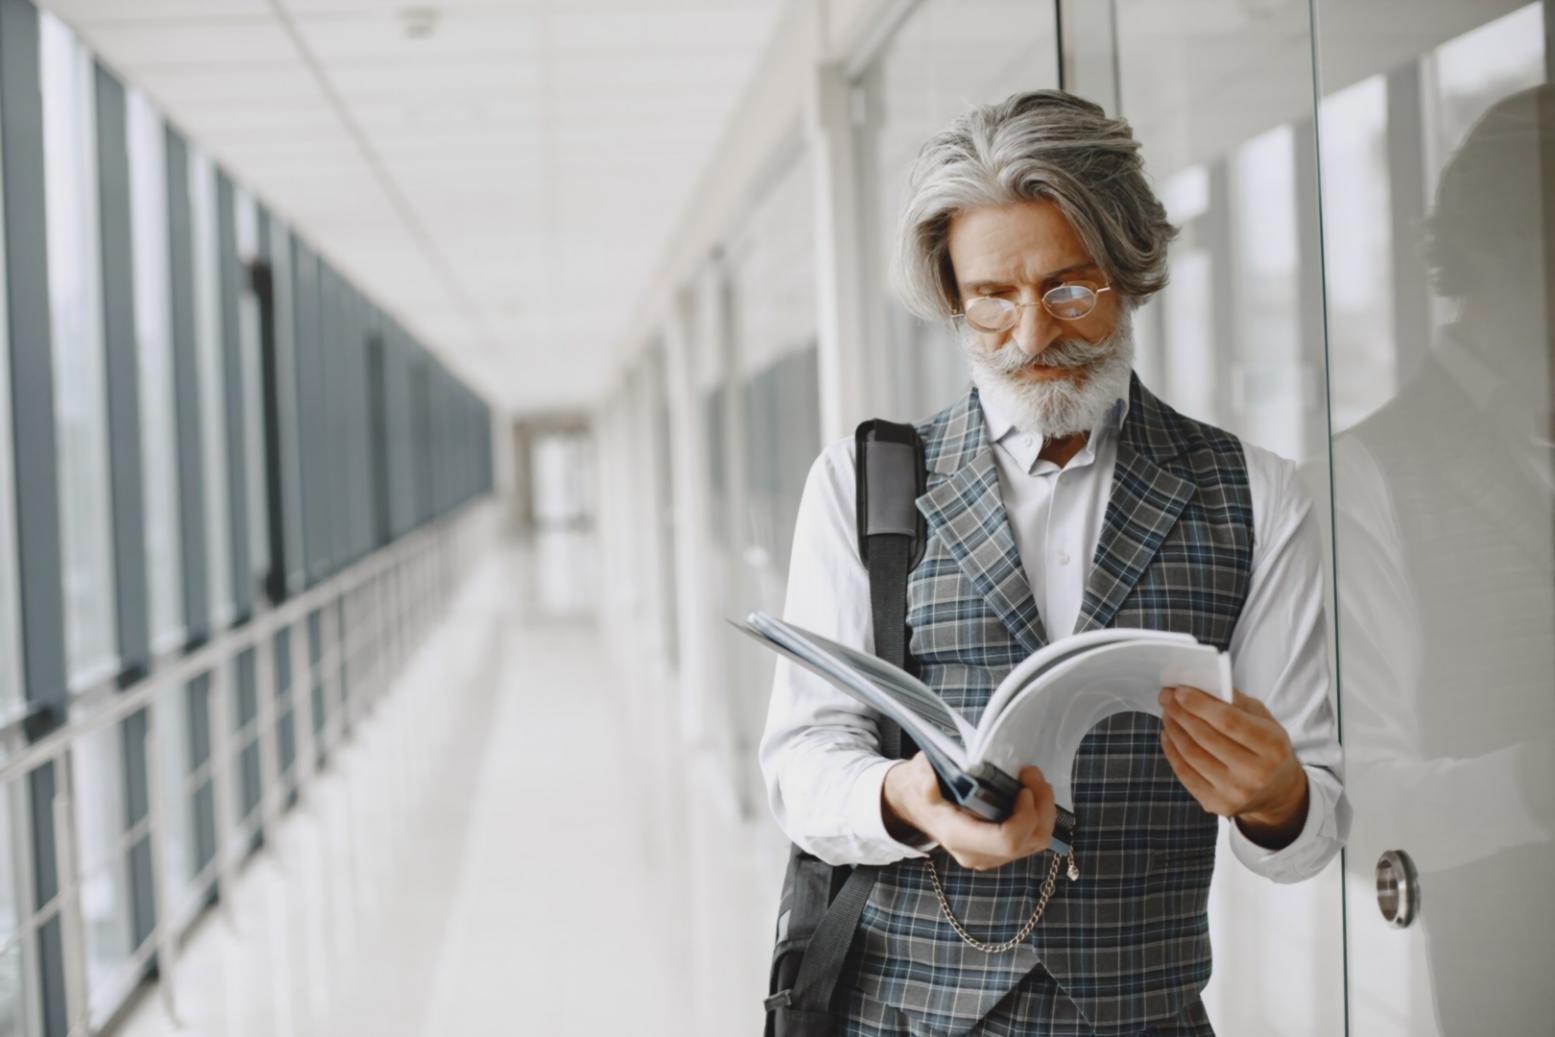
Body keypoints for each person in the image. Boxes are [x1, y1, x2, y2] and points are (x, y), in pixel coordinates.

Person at [759, 90, 1348, 1036]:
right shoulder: (863, 484)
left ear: (1130, 269)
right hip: (902, 1013)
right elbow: (799, 767)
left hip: (1144, 1015)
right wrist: (907, 799)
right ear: (952, 296)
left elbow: (1305, 831)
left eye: (1069, 288)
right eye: (992, 298)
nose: (1032, 338)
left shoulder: (1253, 493)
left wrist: (1278, 797)